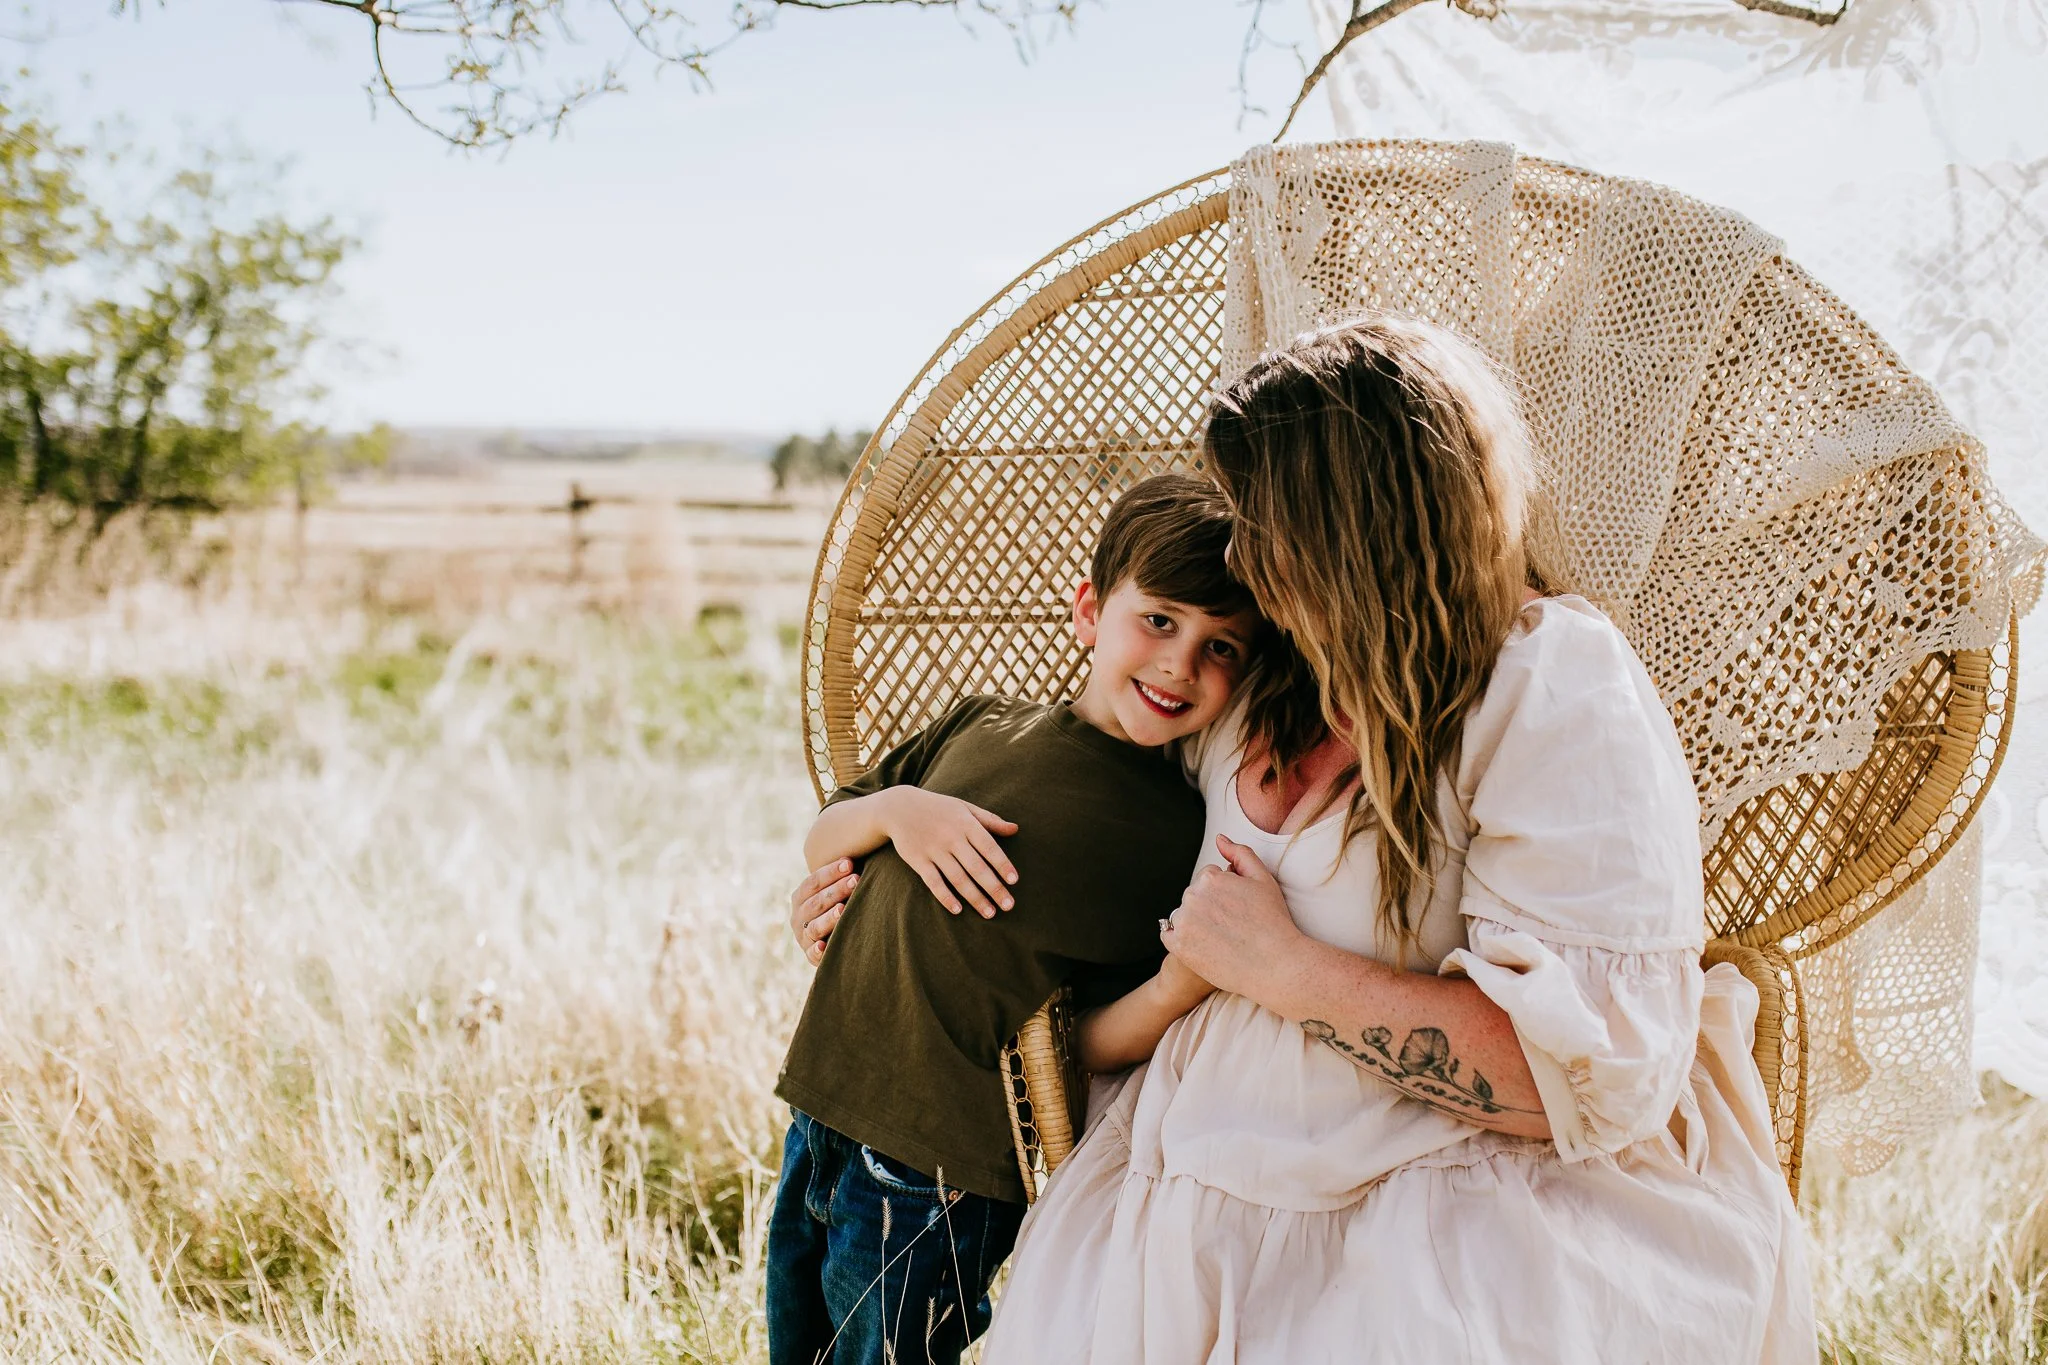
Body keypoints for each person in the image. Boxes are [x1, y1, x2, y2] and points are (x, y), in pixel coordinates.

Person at [789, 316, 1817, 1364]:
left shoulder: (1546, 686)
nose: (1236, 555)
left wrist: (1284, 969)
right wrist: (874, 881)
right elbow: (1072, 805)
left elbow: (1594, 1082)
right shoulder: (1257, 677)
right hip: (1169, 1194)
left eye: (1261, 523)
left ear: (1352, 529)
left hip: (1430, 1208)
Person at [766, 473, 1266, 1365]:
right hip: (823, 1101)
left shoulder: (1170, 829)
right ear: (1089, 611)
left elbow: (1091, 1037)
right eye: (1159, 620)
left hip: (939, 1166)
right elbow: (824, 834)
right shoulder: (982, 722)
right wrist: (900, 811)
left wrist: (1177, 986)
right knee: (796, 1343)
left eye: (1220, 646)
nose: (1180, 664)